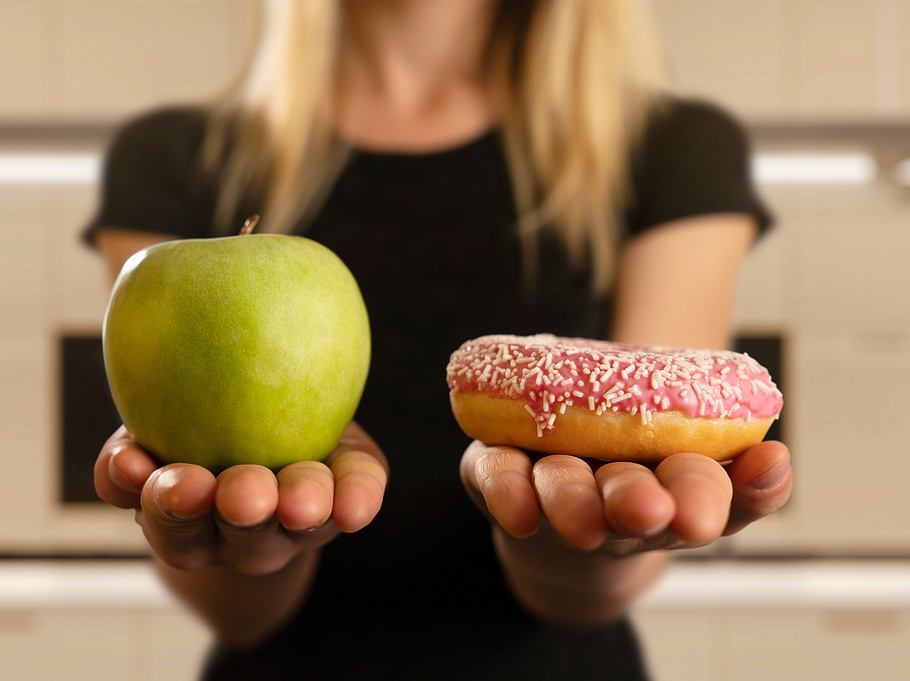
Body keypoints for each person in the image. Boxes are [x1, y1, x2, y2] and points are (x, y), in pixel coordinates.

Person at [86, 1, 793, 679]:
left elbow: (636, 499)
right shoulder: (173, 159)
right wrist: (252, 545)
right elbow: (235, 613)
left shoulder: (671, 147)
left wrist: (570, 546)